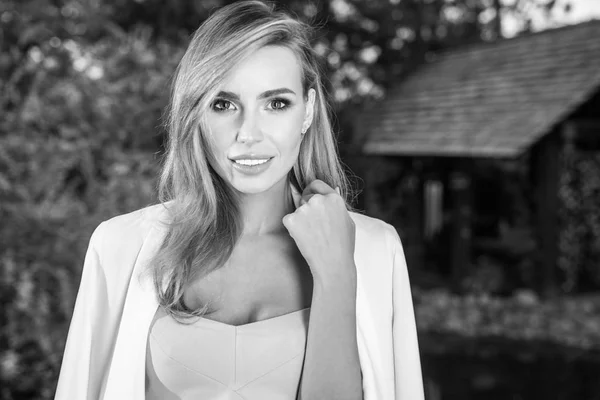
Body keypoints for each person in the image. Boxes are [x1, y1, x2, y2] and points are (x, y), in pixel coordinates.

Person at [54, 1, 424, 399]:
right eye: (224, 104)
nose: (249, 133)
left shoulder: (375, 250)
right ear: (195, 114)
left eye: (276, 104)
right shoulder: (119, 246)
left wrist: (336, 274)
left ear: (308, 112)